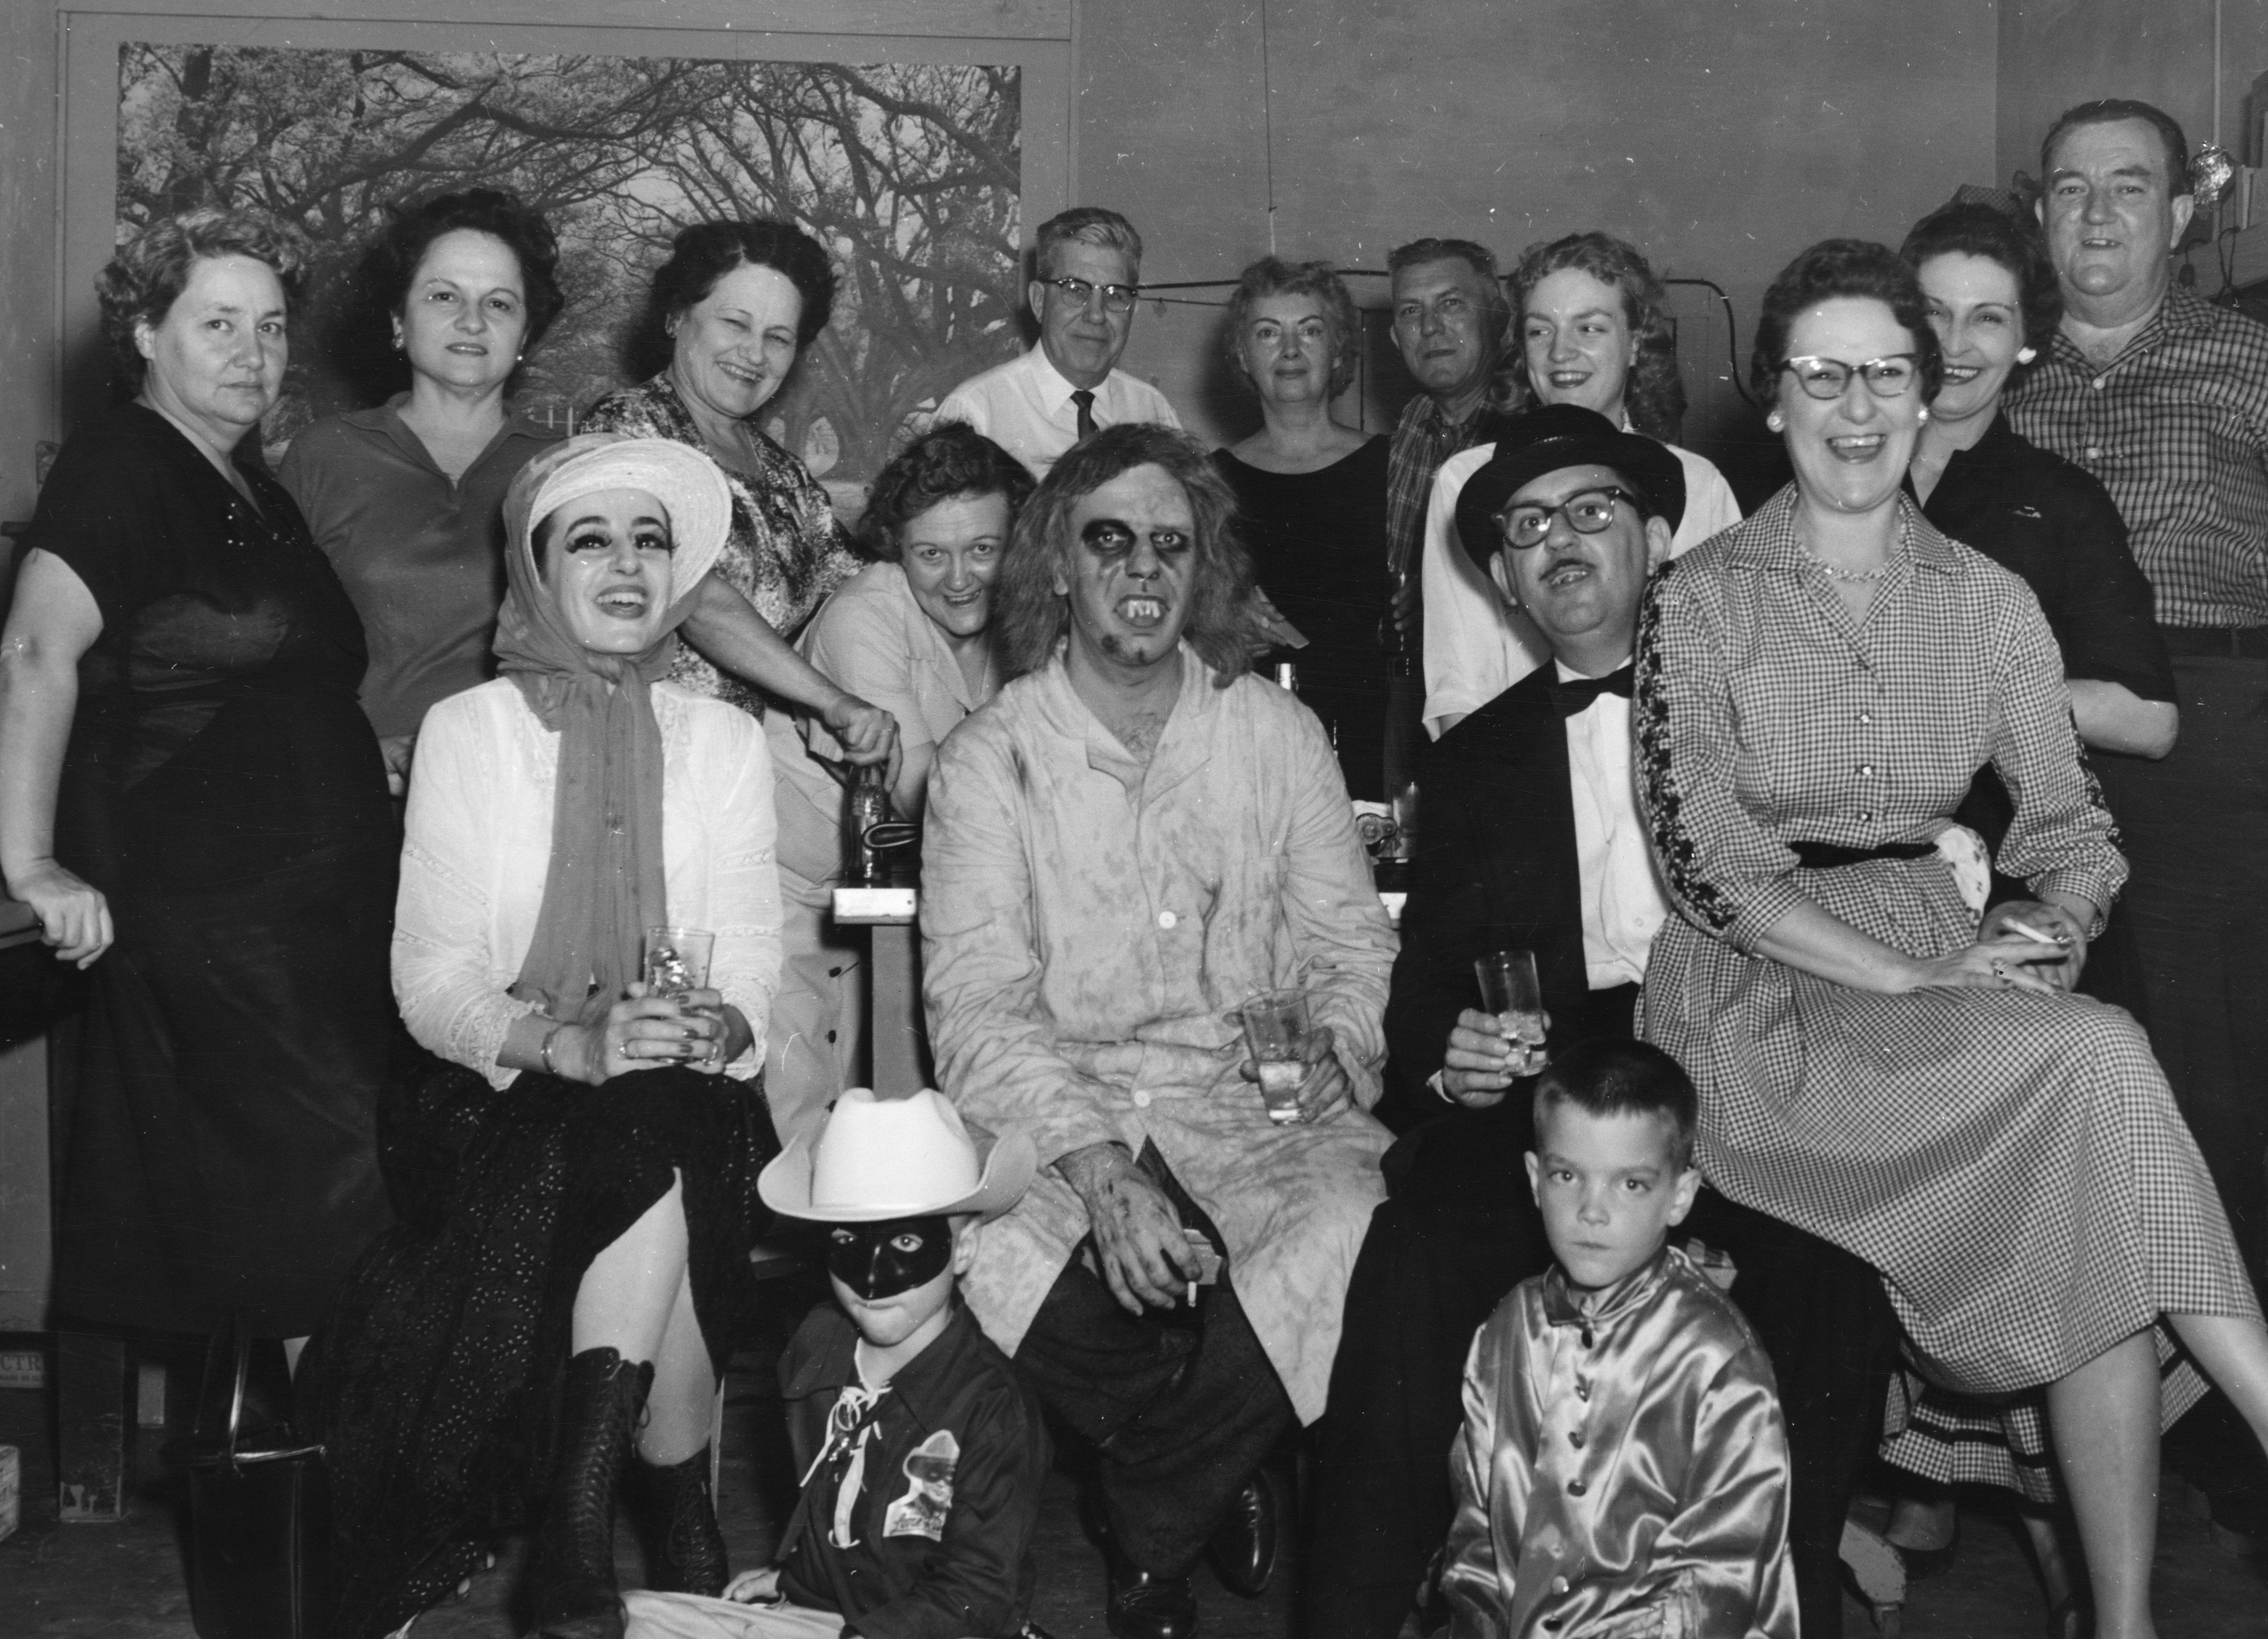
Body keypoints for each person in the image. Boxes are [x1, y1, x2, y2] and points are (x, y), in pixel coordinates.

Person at [1637, 237, 2268, 1639]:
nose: (1855, 407)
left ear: (1925, 394)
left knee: (2092, 1132)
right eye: (1821, 374)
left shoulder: (1988, 601)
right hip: (1762, 1003)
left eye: (1885, 373)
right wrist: (1916, 970)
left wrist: (2048, 923)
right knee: (2097, 1065)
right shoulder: (1697, 598)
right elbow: (1707, 864)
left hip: (1942, 982)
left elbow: (2072, 826)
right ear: (1772, 395)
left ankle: (2122, 1622)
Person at [1302, 405, 1897, 1639]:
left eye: (1589, 510)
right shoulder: (1469, 761)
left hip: (1747, 1075)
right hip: (1555, 1092)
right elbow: (1423, 988)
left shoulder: (1771, 707)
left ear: (1659, 538)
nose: (1559, 542)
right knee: (1413, 1252)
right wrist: (1448, 1055)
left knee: (1827, 1262)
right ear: (1504, 581)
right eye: (1527, 528)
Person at [919, 424, 1396, 1639]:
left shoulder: (1275, 735)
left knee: (1357, 1224)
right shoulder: (988, 758)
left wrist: (1338, 1041)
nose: (1141, 568)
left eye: (1170, 544)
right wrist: (1097, 1173)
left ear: (1203, 568)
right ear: (1057, 566)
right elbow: (977, 1007)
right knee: (973, 1250)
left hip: (1253, 1094)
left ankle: (1149, 1514)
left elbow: (1350, 947)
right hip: (1060, 1102)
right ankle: (1212, 1457)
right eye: (1109, 539)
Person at [303, 435, 785, 1639]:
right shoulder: (470, 730)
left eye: (649, 541)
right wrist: (570, 1044)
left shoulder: (725, 740)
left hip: (673, 1086)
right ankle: (673, 1516)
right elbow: (430, 980)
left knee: (671, 1108)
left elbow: (751, 967)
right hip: (497, 1086)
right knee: (657, 1132)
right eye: (590, 540)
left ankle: (577, 1534)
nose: (625, 566)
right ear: (536, 566)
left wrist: (716, 1022)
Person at [0, 206, 395, 1343]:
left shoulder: (247, 482)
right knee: (332, 1208)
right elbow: (35, 652)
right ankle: (341, 1456)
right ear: (144, 332)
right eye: (217, 322)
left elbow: (253, 678)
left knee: (342, 1206)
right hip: (216, 917)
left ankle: (336, 1450)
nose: (252, 352)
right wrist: (31, 863)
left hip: (309, 912)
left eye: (270, 326)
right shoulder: (122, 461)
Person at [1877, 198, 2182, 1573]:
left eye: (1986, 317)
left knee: (2053, 1242)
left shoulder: (2052, 499)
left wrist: (1980, 690)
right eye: (1930, 313)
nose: (1954, 343)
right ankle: (1912, 1477)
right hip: (1862, 907)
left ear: (2025, 344)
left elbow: (2148, 714)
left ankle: (2089, 1575)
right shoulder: (1830, 473)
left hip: (2023, 891)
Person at [2008, 98, 2268, 1300]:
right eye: (2071, 188)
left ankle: (2226, 1374)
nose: (2098, 213)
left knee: (2213, 1059)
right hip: (2026, 732)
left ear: (2178, 214)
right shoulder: (1992, 377)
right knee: (2041, 1049)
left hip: (2210, 727)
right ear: (2041, 216)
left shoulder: (2250, 361)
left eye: (2127, 186)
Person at [621, 1087, 1049, 1639]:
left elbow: (977, 1594)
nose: (870, 1282)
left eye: (906, 1241)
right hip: (832, 1616)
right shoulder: (819, 1347)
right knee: (627, 1618)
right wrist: (793, 1577)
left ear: (963, 1249)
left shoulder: (992, 1407)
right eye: (848, 1240)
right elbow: (833, 1502)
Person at [1440, 1041, 1800, 1639]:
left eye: (1630, 1184)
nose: (1591, 1211)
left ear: (1679, 1196)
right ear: (1534, 1180)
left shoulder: (1717, 1357)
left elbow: (1719, 1575)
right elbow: (1476, 1532)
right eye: (1566, 1176)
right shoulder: (1505, 1332)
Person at [761, 426, 1033, 1149]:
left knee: (906, 1134)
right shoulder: (865, 616)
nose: (959, 578)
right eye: (930, 554)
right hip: (793, 898)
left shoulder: (1028, 618)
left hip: (904, 900)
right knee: (804, 1136)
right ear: (896, 550)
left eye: (983, 548)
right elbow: (925, 796)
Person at [279, 188, 565, 793]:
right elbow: (281, 652)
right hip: (355, 786)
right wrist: (358, 748)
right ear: (397, 321)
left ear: (525, 335)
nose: (472, 321)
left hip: (520, 791)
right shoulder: (325, 455)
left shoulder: (564, 469)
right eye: (443, 296)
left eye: (499, 304)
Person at [582, 219, 899, 765]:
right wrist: (830, 700)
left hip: (740, 766)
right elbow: (694, 596)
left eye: (778, 338)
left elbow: (862, 591)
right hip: (640, 753)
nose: (754, 354)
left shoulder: (786, 477)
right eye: (735, 323)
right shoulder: (628, 429)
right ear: (677, 317)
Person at [1420, 231, 1743, 735]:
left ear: (1635, 343)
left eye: (1588, 328)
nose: (1560, 353)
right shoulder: (1468, 483)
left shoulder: (1699, 485)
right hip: (1522, 763)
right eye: (1539, 331)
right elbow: (1458, 685)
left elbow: (1732, 674)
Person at [1209, 256, 1392, 799]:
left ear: (1337, 348)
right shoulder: (1209, 481)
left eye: (1309, 331)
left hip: (1375, 730)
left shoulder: (1393, 466)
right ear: (1243, 354)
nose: (1290, 350)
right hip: (1253, 736)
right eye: (1268, 333)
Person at [1382, 237, 1514, 783]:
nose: (1431, 327)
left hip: (1500, 706)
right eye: (1411, 312)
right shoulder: (1412, 423)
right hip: (1409, 698)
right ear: (1395, 336)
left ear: (1495, 317)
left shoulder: (1525, 432)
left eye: (1451, 304)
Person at [933, 206, 1179, 480]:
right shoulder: (977, 413)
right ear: (1039, 302)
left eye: (1115, 295)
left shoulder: (1153, 412)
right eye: (1076, 291)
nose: (1096, 315)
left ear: (1132, 310)